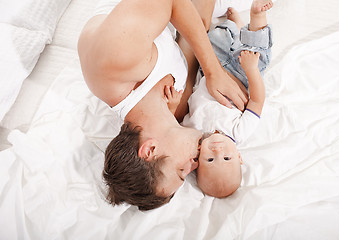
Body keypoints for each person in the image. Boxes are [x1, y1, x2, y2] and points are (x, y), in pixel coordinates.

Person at [78, 0, 249, 210]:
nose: (194, 165)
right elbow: (196, 25)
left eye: (181, 171)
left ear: (150, 149)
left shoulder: (114, 63)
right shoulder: (174, 110)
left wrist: (214, 71)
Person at [168, 0, 273, 198]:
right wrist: (250, 71)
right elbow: (257, 101)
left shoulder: (193, 131)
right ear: (239, 157)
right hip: (241, 74)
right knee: (258, 53)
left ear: (197, 160)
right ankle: (256, 15)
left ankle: (235, 25)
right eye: (226, 157)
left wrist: (173, 104)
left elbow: (175, 120)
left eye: (210, 160)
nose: (218, 151)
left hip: (211, 66)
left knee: (217, 36)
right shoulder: (239, 132)